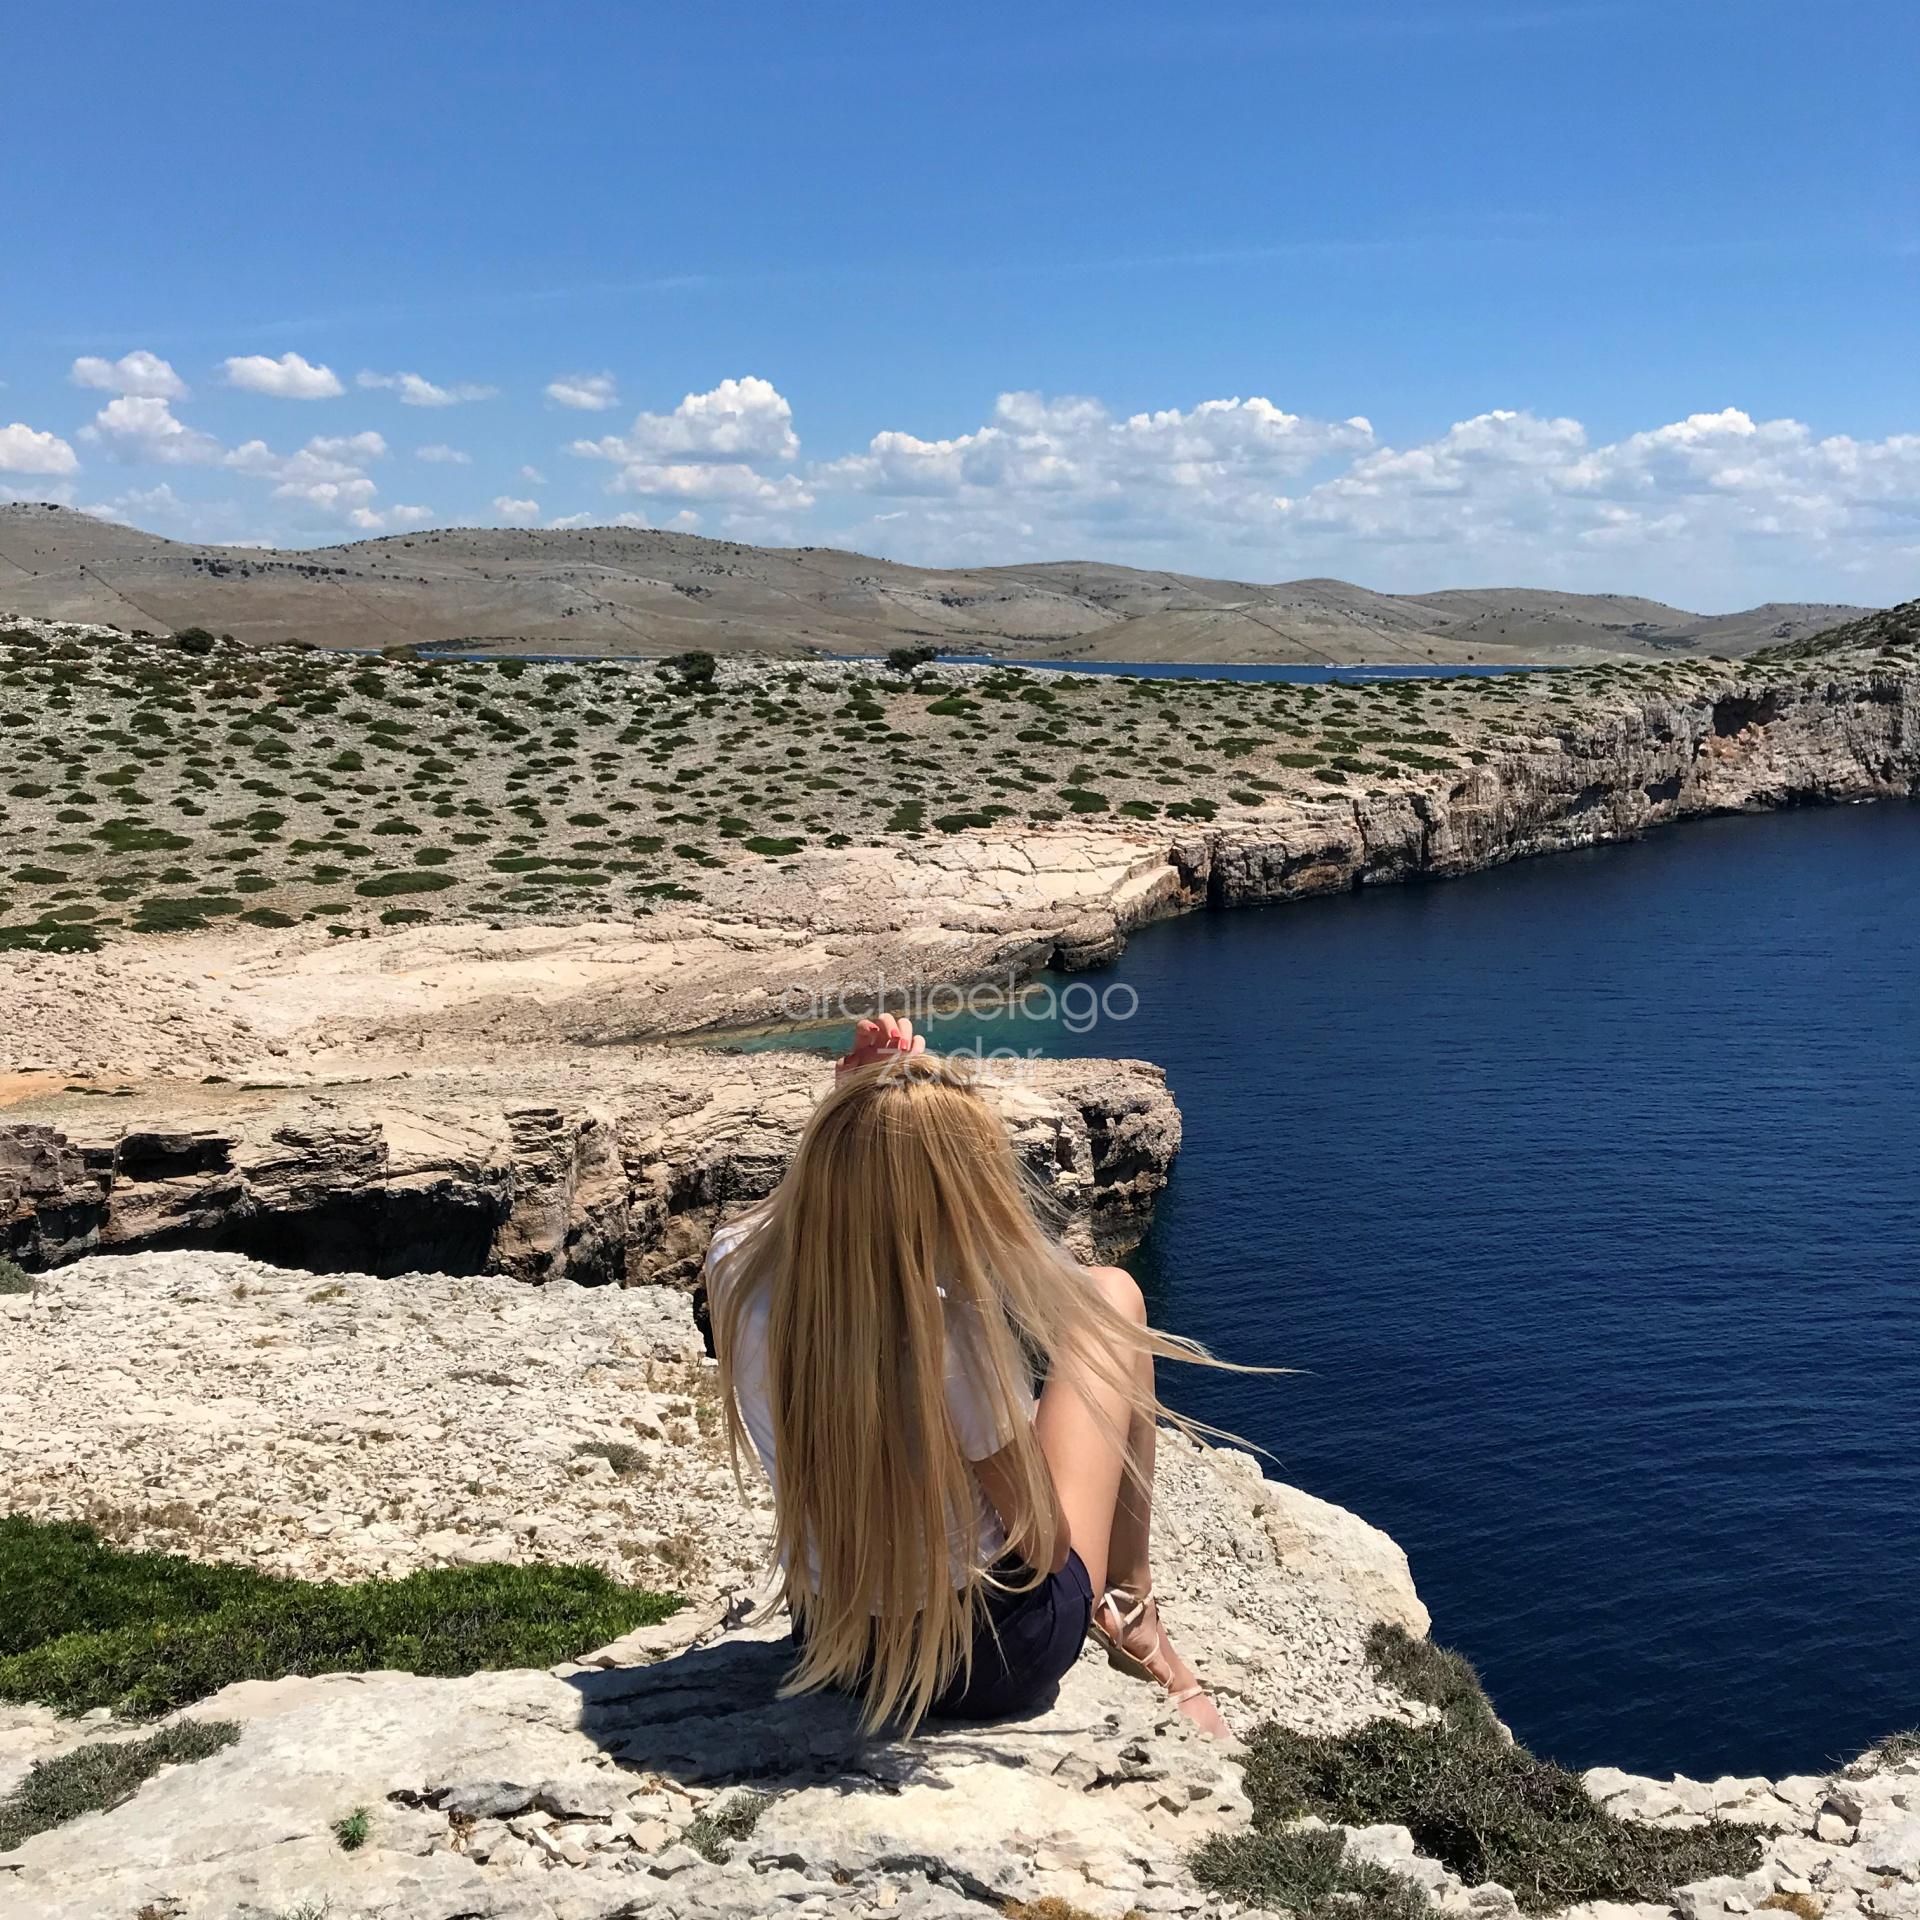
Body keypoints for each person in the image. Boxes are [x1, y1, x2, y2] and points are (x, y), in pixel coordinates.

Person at [707, 1012, 1233, 1740]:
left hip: (833, 1640)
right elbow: (1045, 1547)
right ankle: (1132, 1609)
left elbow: (804, 1209)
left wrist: (859, 1104)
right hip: (984, 1662)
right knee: (1112, 1296)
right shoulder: (946, 1338)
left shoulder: (734, 1263)